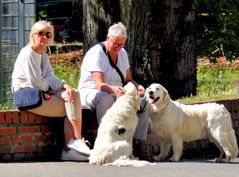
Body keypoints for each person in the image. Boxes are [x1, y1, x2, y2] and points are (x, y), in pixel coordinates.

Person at [11, 20, 91, 161]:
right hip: (29, 96)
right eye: (41, 33)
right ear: (33, 35)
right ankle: (71, 146)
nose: (44, 37)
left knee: (73, 94)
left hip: (42, 91)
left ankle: (75, 143)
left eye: (48, 34)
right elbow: (36, 82)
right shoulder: (28, 53)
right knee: (70, 105)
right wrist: (53, 89)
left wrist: (65, 86)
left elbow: (49, 77)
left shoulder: (43, 55)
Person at [78, 22, 151, 160]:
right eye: (115, 44)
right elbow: (99, 84)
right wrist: (113, 89)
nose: (118, 48)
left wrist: (138, 87)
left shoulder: (122, 53)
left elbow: (128, 79)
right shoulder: (96, 53)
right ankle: (108, 141)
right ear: (108, 38)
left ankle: (138, 142)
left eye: (122, 44)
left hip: (118, 92)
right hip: (93, 92)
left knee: (144, 102)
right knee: (106, 98)